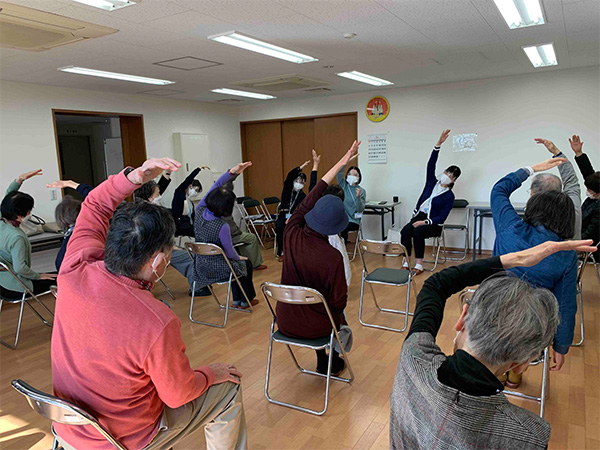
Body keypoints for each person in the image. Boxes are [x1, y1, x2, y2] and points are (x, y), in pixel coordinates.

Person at [51, 158, 247, 450]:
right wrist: (210, 373)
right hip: (121, 439)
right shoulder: (155, 320)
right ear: (159, 261)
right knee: (228, 389)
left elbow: (94, 206)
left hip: (68, 428)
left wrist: (134, 177)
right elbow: (179, 394)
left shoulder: (74, 267)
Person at [390, 238, 596, 450]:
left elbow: (436, 285)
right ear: (523, 364)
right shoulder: (530, 436)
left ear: (463, 317)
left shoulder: (413, 355)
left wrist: (517, 258)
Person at [492, 157, 577, 387]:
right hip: (531, 330)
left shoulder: (510, 227)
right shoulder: (567, 254)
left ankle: (497, 373)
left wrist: (530, 169)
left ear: (533, 202)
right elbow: (566, 304)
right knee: (530, 325)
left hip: (491, 317)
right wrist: (561, 346)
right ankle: (516, 372)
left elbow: (499, 190)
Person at [277, 141, 360, 376]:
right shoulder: (332, 257)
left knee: (314, 305)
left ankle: (322, 358)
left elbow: (312, 195)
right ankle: (331, 358)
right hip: (317, 329)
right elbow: (338, 302)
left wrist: (342, 162)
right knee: (334, 312)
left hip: (285, 320)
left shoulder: (291, 232)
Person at [194, 162, 258, 309]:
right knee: (244, 264)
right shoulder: (222, 226)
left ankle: (236, 301)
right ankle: (245, 301)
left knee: (236, 265)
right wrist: (239, 257)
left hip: (200, 267)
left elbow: (215, 188)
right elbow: (230, 253)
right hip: (219, 269)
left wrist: (231, 173)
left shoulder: (199, 211)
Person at [400, 129, 461, 275]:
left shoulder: (449, 196)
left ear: (453, 181)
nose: (447, 176)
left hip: (433, 224)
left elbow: (441, 218)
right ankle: (406, 260)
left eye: (451, 176)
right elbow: (431, 164)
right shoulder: (431, 182)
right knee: (405, 231)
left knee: (418, 232)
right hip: (419, 216)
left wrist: (425, 222)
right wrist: (438, 144)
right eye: (447, 172)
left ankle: (419, 264)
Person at [0, 169, 57, 298]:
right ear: (18, 215)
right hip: (17, 286)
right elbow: (20, 268)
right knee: (61, 277)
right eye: (29, 211)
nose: (30, 214)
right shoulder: (16, 237)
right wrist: (38, 276)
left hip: (2, 282)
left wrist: (20, 179)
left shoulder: (2, 220)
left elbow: (8, 198)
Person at [275, 150, 319, 259]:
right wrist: (301, 167)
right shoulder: (287, 190)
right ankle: (281, 250)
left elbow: (313, 188)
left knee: (300, 227)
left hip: (296, 217)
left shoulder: (303, 196)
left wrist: (315, 166)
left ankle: (296, 250)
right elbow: (289, 176)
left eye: (302, 181)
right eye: (297, 180)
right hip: (283, 214)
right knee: (280, 226)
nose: (299, 183)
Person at [534, 138, 582, 239]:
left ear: (537, 194)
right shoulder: (572, 206)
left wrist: (529, 170)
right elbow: (571, 181)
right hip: (575, 254)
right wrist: (557, 153)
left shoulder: (535, 220)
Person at [47, 179, 93, 271]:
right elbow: (97, 197)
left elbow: (60, 266)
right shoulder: (94, 226)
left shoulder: (72, 236)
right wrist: (70, 184)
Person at [222, 178, 266, 271]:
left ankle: (245, 262)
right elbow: (230, 225)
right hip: (229, 236)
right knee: (251, 237)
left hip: (223, 235)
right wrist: (238, 231)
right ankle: (254, 264)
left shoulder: (213, 202)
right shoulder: (225, 204)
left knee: (243, 234)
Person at [569, 134, 600, 259]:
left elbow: (592, 232)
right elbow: (588, 174)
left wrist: (574, 242)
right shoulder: (595, 189)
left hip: (591, 248)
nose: (587, 191)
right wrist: (579, 153)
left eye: (589, 189)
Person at [171, 166, 208, 237]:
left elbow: (193, 217)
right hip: (179, 225)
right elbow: (187, 180)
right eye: (196, 190)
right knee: (202, 234)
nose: (196, 193)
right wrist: (198, 169)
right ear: (189, 186)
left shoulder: (190, 202)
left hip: (188, 225)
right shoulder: (179, 194)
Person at [337, 157, 366, 244]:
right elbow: (338, 173)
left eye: (355, 175)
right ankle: (338, 250)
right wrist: (346, 161)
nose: (352, 177)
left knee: (343, 228)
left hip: (353, 220)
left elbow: (360, 209)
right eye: (350, 174)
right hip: (342, 218)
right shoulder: (344, 186)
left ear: (358, 177)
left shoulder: (362, 191)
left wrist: (358, 197)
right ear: (347, 176)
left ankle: (343, 250)